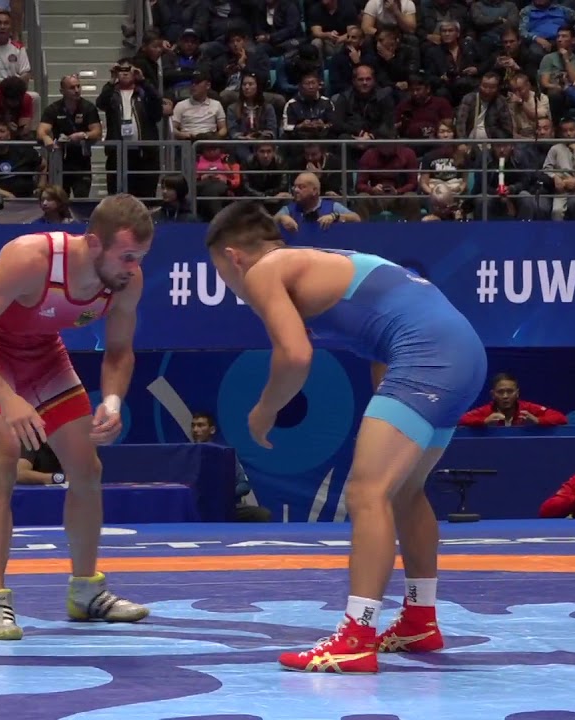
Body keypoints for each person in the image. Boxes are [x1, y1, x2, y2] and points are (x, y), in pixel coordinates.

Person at [204, 201, 488, 674]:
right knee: (405, 491)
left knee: (365, 492)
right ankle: (419, 620)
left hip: (428, 357)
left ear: (233, 257)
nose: (230, 284)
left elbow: (296, 356)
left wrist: (265, 409)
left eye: (220, 272)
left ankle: (356, 638)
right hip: (462, 353)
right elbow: (387, 331)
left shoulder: (264, 271)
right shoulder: (322, 259)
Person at [0, 194, 155, 640]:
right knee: (2, 459)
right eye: (127, 256)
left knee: (87, 469)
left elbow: (119, 351)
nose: (133, 268)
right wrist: (5, 397)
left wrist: (113, 402)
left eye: (139, 257)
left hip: (43, 356)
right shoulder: (32, 258)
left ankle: (86, 592)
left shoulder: (125, 282)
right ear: (93, 243)